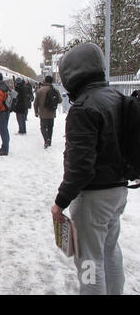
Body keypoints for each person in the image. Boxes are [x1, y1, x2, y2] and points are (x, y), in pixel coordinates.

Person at [51, 43, 129, 295]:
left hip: (93, 196)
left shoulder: (83, 108)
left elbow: (80, 167)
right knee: (109, 250)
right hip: (118, 190)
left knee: (88, 260)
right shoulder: (117, 98)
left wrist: (60, 202)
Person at [33, 75, 62, 149]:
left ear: (45, 81)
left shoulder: (40, 91)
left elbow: (35, 103)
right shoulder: (55, 90)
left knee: (43, 127)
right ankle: (49, 140)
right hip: (52, 112)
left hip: (43, 113)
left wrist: (36, 112)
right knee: (50, 127)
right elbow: (60, 100)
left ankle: (46, 140)